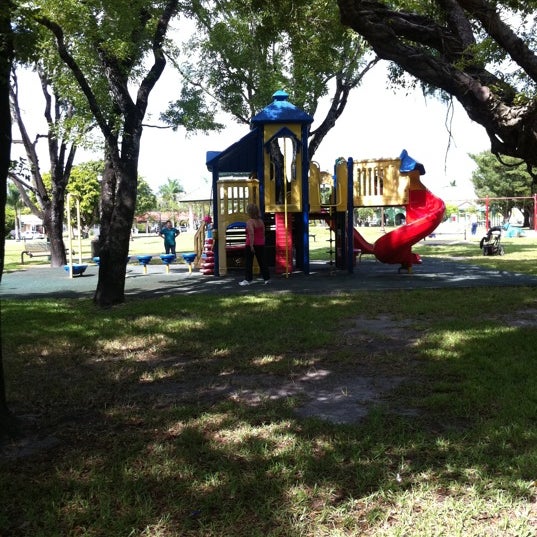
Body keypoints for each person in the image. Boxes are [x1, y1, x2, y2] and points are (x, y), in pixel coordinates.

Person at [239, 204, 270, 286]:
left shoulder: (250, 222)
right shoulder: (261, 221)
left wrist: (251, 245)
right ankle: (267, 279)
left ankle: (248, 279)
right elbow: (263, 233)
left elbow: (251, 234)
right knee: (262, 261)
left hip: (251, 244)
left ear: (249, 212)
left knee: (248, 262)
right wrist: (263, 242)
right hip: (261, 244)